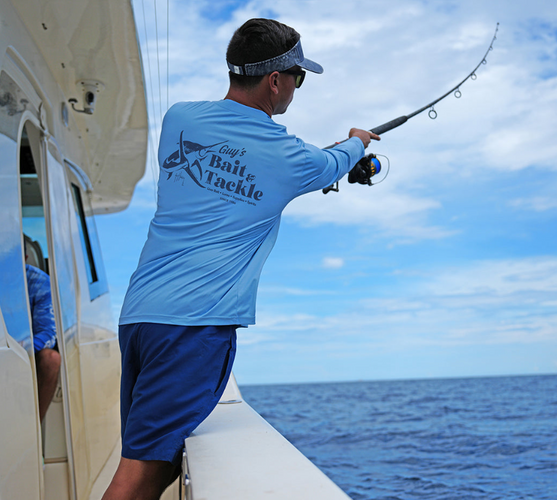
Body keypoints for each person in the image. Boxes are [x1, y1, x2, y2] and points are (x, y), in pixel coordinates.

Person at [102, 18, 380, 500]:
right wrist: (358, 139)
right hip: (193, 325)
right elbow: (331, 161)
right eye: (299, 77)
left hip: (141, 317)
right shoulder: (292, 158)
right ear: (276, 80)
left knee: (159, 463)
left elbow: (254, 155)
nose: (297, 87)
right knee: (137, 476)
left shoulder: (180, 118)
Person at [26, 263, 61, 423]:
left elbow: (48, 332)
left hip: (24, 350)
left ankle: (34, 427)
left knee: (51, 359)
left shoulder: (39, 282)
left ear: (24, 258)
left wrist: (21, 351)